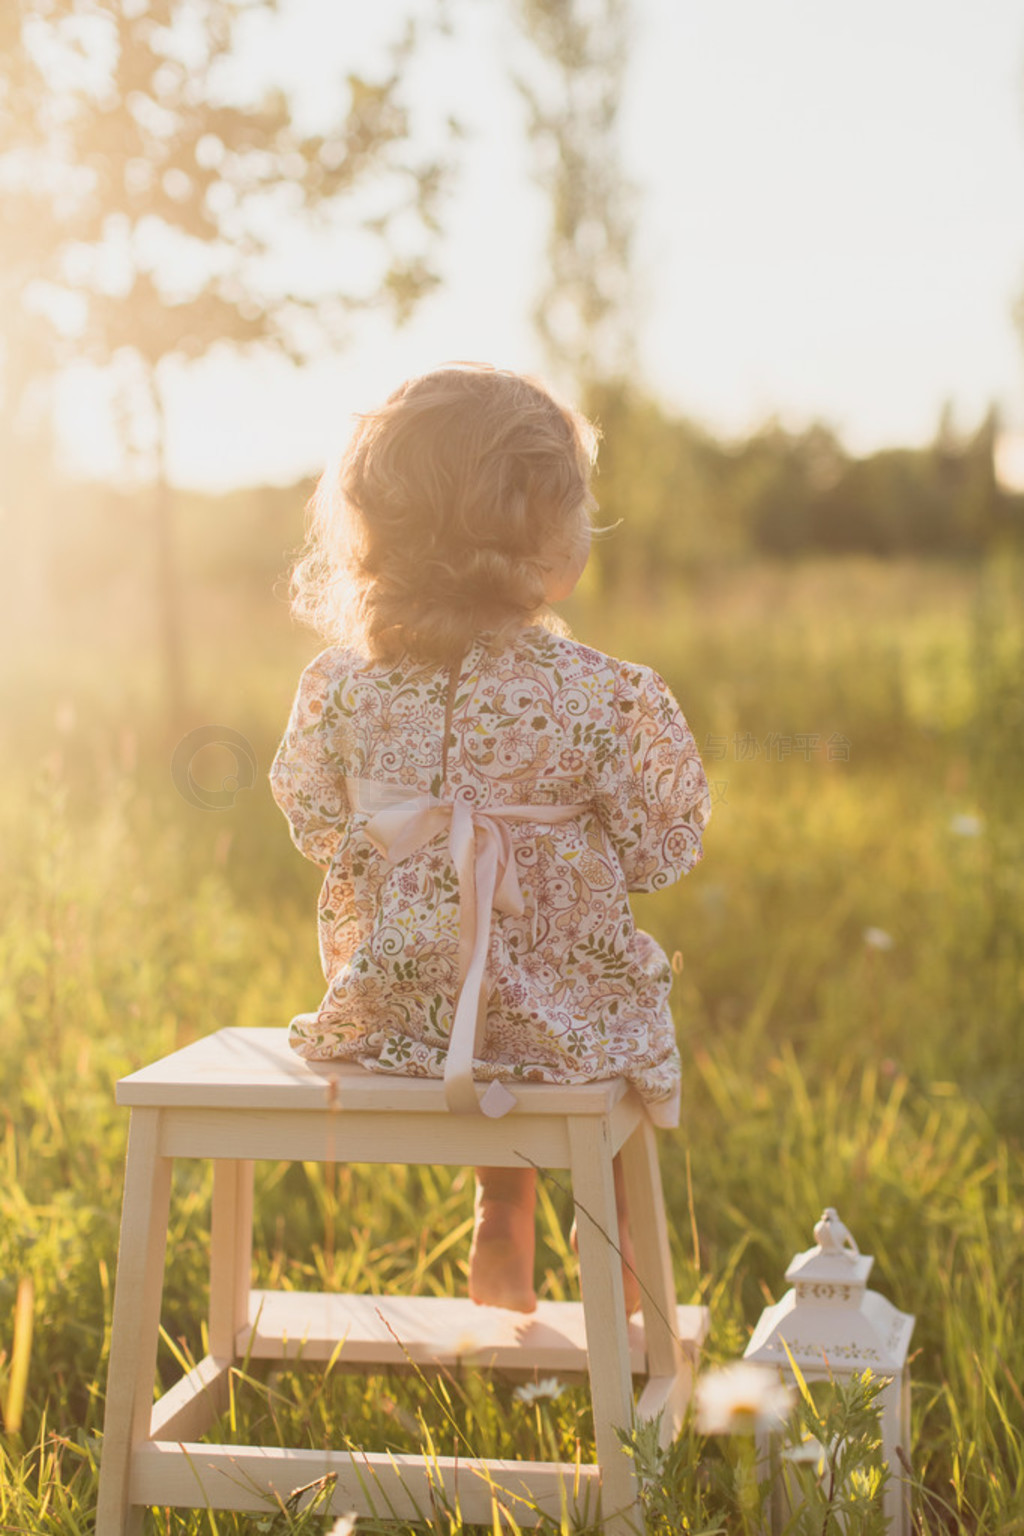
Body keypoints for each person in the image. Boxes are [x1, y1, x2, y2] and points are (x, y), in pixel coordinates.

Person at [270, 363, 710, 1315]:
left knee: (474, 992)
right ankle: (629, 1242)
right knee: (617, 1009)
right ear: (547, 534)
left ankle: (498, 1208)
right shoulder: (605, 692)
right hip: (562, 1022)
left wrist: (410, 851)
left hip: (389, 1015)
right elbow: (662, 845)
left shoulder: (339, 684)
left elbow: (310, 815)